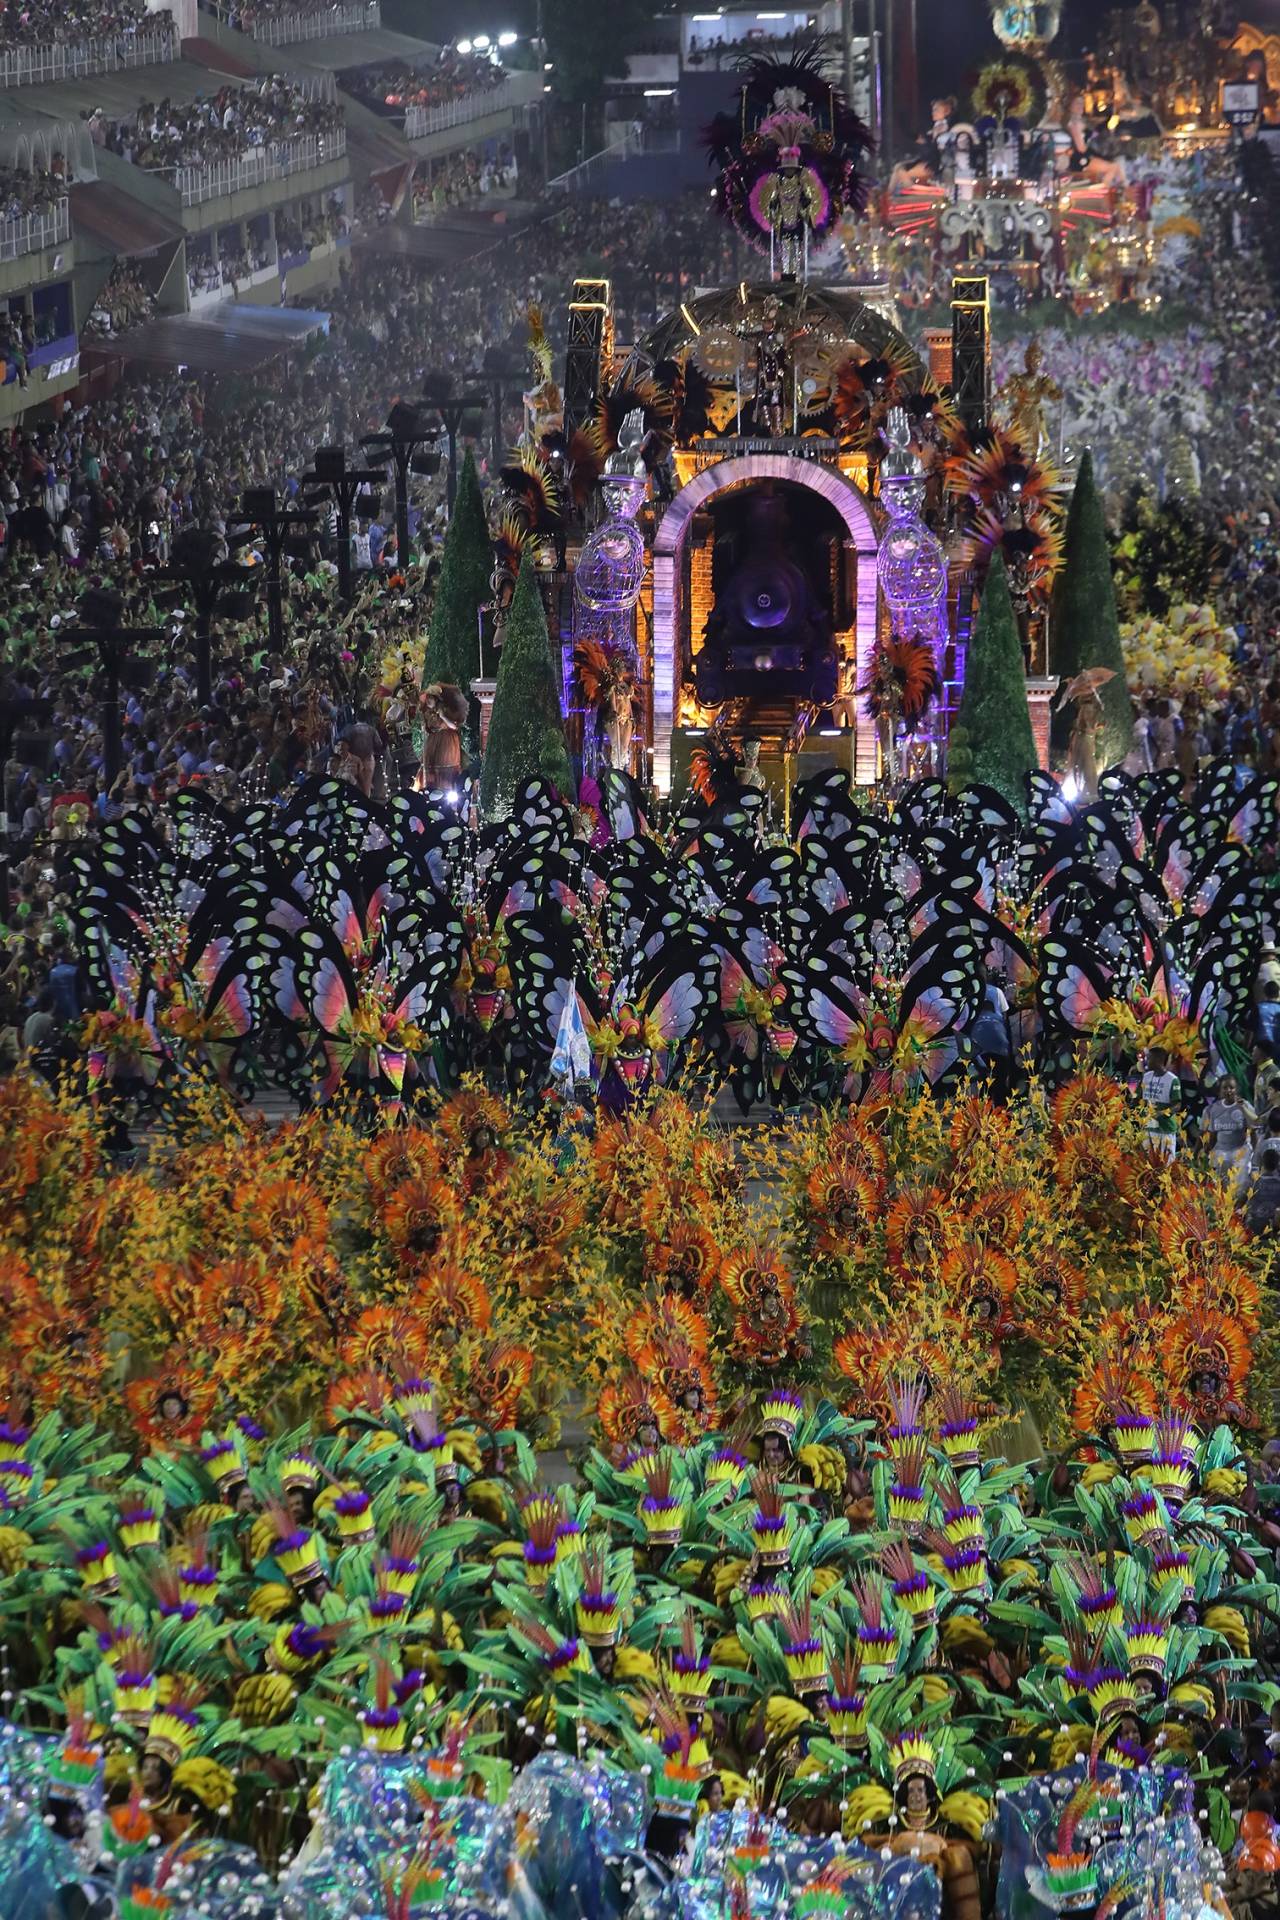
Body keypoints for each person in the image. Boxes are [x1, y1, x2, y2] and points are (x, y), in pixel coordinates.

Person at [1203, 1074, 1257, 1192]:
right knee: (1221, 1187)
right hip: (1221, 1152)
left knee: (1239, 1188)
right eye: (1225, 1088)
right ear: (1220, 1090)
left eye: (1231, 1088)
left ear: (1236, 1089)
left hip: (1240, 1151)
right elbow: (1213, 1135)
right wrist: (1206, 1152)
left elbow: (1253, 1131)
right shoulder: (1215, 1109)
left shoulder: (1244, 1106)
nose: (1228, 1091)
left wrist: (1255, 1153)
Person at [1137, 1044, 1181, 1158]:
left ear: (1158, 1060)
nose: (1146, 1061)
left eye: (1149, 1058)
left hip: (1165, 1130)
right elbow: (1141, 1097)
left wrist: (1161, 1113)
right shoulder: (1146, 1076)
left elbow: (1177, 1105)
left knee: (1165, 1164)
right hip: (1147, 1128)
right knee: (1146, 1163)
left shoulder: (1172, 1079)